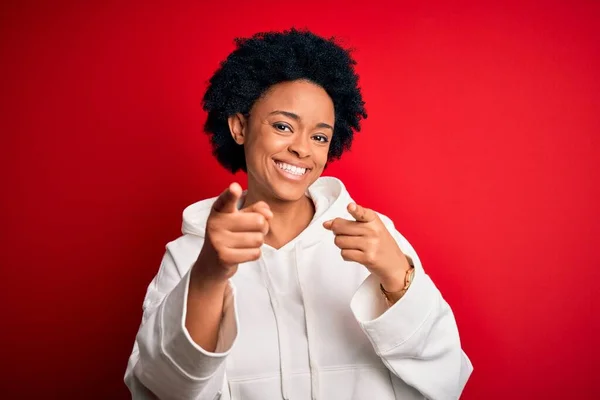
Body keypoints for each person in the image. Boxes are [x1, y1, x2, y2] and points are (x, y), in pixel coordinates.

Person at [124, 28, 473, 400]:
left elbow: (448, 378)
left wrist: (397, 276)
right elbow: (160, 388)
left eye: (319, 137)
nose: (302, 149)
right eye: (282, 126)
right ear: (240, 126)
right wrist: (209, 275)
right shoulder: (190, 255)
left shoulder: (374, 239)